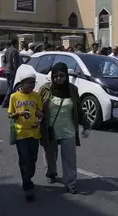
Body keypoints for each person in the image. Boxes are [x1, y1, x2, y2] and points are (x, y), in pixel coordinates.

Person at [39, 63, 91, 194]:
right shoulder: (45, 89)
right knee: (50, 155)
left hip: (68, 129)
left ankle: (71, 182)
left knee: (69, 158)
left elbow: (78, 110)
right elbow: (37, 108)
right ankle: (51, 174)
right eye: (55, 76)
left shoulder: (72, 89)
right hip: (50, 128)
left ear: (66, 76)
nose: (58, 78)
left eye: (61, 75)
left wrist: (86, 125)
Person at [8, 70, 43, 201]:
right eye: (30, 83)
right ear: (22, 83)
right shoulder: (14, 97)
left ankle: (28, 176)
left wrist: (39, 120)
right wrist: (18, 114)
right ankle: (27, 185)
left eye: (34, 83)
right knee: (24, 158)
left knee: (32, 159)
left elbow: (40, 113)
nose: (32, 85)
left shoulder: (36, 95)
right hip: (20, 133)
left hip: (34, 133)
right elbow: (10, 114)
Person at [2, 38, 21, 108]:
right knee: (11, 87)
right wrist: (16, 69)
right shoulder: (15, 51)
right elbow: (14, 61)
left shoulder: (7, 50)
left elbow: (4, 60)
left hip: (6, 69)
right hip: (12, 70)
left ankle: (9, 102)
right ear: (16, 43)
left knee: (9, 86)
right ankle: (5, 102)